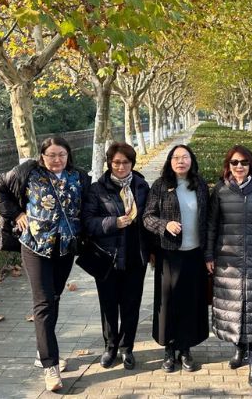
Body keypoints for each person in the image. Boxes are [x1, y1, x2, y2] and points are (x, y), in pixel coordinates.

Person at [0, 136, 90, 392]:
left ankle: (41, 351)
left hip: (64, 249)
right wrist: (16, 214)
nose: (57, 160)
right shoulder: (28, 172)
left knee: (53, 298)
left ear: (68, 155)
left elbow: (88, 208)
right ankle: (50, 366)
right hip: (35, 247)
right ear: (42, 156)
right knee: (43, 303)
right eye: (51, 155)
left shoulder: (79, 176)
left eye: (61, 154)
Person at [205, 145, 252, 387]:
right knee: (233, 307)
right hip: (227, 260)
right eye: (235, 162)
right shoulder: (220, 189)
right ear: (228, 165)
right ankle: (239, 349)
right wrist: (209, 255)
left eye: (244, 162)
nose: (239, 166)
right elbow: (211, 225)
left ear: (251, 165)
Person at [82, 142, 150, 370]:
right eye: (116, 162)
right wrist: (114, 222)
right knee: (109, 305)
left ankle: (126, 347)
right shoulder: (97, 189)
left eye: (126, 162)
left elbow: (149, 218)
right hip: (107, 258)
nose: (121, 167)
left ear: (132, 163)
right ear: (109, 163)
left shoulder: (141, 186)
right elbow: (88, 222)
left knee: (131, 305)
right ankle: (110, 347)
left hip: (135, 257)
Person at [143, 144, 210, 372]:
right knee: (168, 304)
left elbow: (209, 218)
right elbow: (147, 217)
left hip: (195, 254)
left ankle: (185, 349)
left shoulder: (200, 185)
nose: (180, 161)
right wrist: (165, 224)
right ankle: (169, 350)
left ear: (192, 160)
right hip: (169, 254)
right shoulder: (161, 185)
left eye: (185, 157)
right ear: (169, 161)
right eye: (175, 157)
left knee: (190, 303)